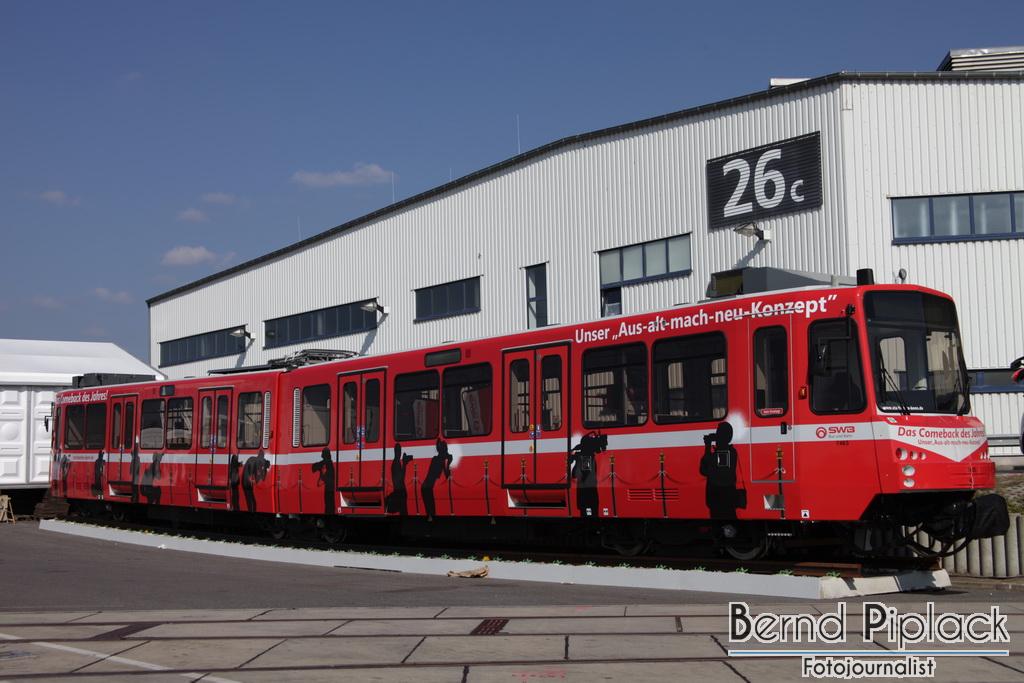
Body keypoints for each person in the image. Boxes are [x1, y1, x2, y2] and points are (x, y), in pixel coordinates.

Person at [699, 421, 743, 519]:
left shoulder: (721, 453)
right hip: (727, 494)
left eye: (718, 433)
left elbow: (704, 470)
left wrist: (708, 446)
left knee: (721, 521)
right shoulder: (732, 452)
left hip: (719, 495)